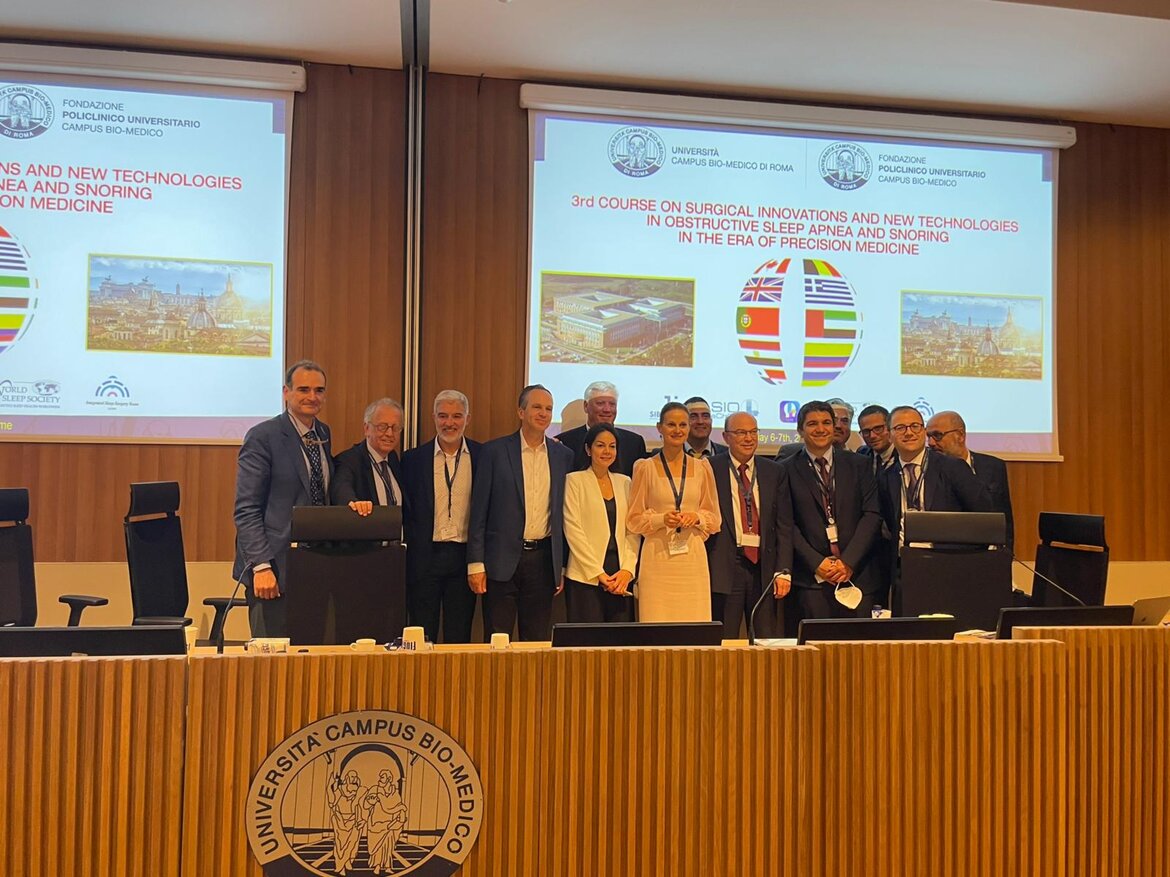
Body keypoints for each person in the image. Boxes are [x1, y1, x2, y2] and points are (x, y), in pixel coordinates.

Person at [233, 359, 334, 636]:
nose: (312, 397)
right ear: (286, 392)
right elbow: (246, 509)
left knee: (309, 654)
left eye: (319, 390)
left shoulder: (323, 432)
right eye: (303, 389)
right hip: (273, 570)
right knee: (271, 656)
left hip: (314, 566)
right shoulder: (263, 436)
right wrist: (261, 566)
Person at [467, 384, 574, 640]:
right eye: (537, 407)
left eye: (548, 409)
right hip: (500, 561)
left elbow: (563, 514)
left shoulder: (563, 455)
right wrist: (475, 563)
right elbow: (478, 511)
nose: (543, 413)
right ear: (521, 412)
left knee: (535, 641)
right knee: (497, 639)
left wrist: (560, 565)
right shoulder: (494, 452)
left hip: (543, 562)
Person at [780, 400, 882, 620]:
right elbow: (786, 524)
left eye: (826, 422)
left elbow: (872, 515)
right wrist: (817, 563)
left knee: (861, 641)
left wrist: (848, 562)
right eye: (812, 424)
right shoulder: (784, 469)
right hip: (811, 581)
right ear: (800, 430)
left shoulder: (859, 464)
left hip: (857, 575)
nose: (820, 429)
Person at [400, 390, 481, 644]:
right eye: (443, 416)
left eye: (457, 416)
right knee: (421, 635)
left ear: (467, 419)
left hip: (464, 558)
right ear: (433, 417)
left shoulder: (483, 456)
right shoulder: (412, 460)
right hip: (425, 558)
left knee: (460, 634)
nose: (449, 423)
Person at [627, 401, 721, 621]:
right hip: (657, 558)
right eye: (671, 424)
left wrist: (696, 517)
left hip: (692, 558)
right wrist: (661, 519)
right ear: (659, 428)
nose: (677, 430)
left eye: (682, 425)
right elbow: (633, 519)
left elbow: (714, 519)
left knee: (694, 625)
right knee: (657, 624)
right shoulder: (644, 467)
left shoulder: (702, 467)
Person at [706, 411, 792, 639]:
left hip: (765, 567)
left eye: (753, 432)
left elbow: (784, 526)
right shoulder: (709, 468)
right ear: (726, 437)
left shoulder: (774, 471)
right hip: (726, 565)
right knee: (725, 639)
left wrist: (784, 570)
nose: (748, 438)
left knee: (766, 639)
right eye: (741, 432)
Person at [877, 405, 993, 549]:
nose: (909, 433)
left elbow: (984, 515)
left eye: (915, 426)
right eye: (900, 428)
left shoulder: (953, 468)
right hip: (904, 557)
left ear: (924, 431)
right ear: (889, 435)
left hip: (947, 556)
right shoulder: (886, 477)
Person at [562, 423, 641, 623]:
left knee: (619, 638)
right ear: (588, 449)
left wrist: (627, 570)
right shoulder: (574, 481)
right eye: (600, 445)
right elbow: (573, 530)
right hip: (585, 574)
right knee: (588, 638)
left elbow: (632, 530)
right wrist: (598, 573)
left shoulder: (625, 482)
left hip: (619, 574)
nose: (607, 451)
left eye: (612, 446)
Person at [926, 409, 1014, 552]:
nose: (931, 443)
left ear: (960, 435)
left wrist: (1007, 552)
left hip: (989, 553)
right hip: (948, 552)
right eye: (928, 436)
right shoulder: (930, 471)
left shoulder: (993, 466)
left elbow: (1004, 515)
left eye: (937, 436)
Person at [556, 380, 648, 476]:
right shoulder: (565, 442)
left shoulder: (634, 443)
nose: (607, 410)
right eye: (600, 403)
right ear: (586, 406)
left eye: (612, 404)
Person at [331, 398, 404, 511]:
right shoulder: (349, 461)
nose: (389, 433)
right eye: (382, 427)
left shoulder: (393, 458)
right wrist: (353, 503)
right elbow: (341, 490)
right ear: (366, 428)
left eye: (395, 428)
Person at [855, 404, 897, 475]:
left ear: (890, 427)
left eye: (878, 429)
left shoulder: (903, 455)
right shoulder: (862, 454)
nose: (872, 436)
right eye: (866, 431)